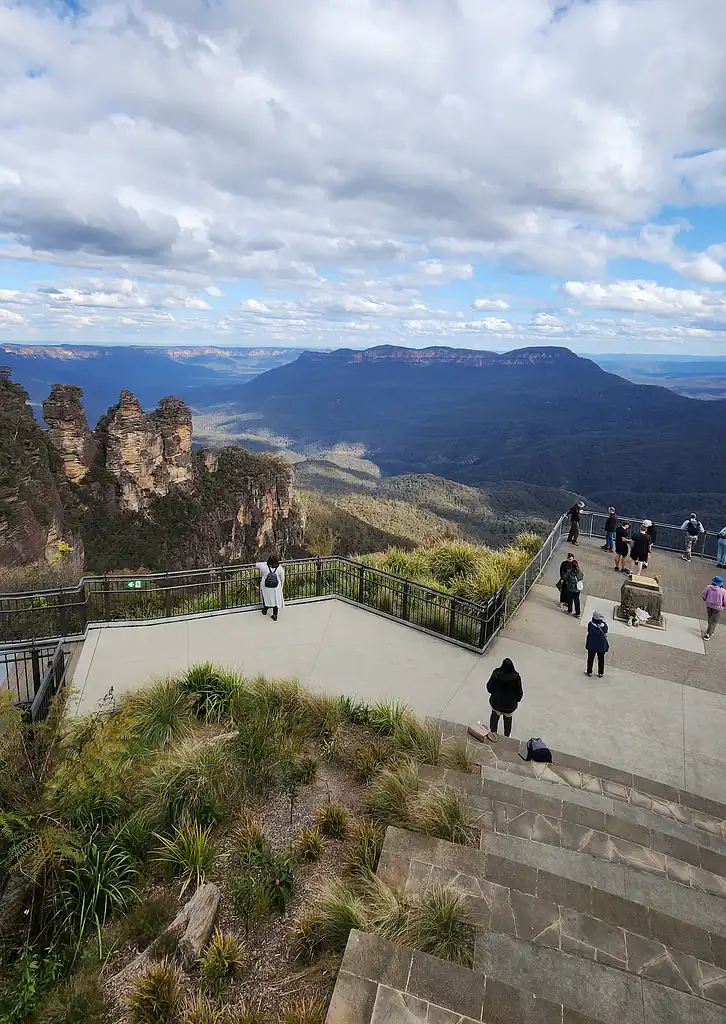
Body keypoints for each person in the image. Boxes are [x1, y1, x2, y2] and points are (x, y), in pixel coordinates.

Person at [485, 657, 523, 741]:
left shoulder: (496, 674)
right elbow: (519, 692)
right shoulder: (516, 677)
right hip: (509, 706)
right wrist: (516, 700)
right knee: (508, 721)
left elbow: (489, 687)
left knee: (494, 718)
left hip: (496, 703)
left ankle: (493, 734)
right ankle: (506, 737)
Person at [255, 553, 285, 621]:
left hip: (266, 586)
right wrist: (281, 587)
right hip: (276, 587)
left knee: (266, 597)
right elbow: (282, 578)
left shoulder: (264, 566)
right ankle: (275, 615)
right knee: (275, 600)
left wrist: (265, 563)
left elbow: (256, 564)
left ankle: (265, 610)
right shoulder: (280, 568)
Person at [701, 576, 726, 641]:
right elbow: (724, 600)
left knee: (710, 617)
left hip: (709, 605)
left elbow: (704, 594)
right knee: (714, 620)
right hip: (717, 608)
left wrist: (705, 599)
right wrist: (723, 606)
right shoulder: (723, 591)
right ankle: (708, 634)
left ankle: (711, 630)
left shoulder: (708, 587)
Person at [585, 610, 609, 677]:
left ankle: (589, 671)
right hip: (601, 646)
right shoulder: (604, 626)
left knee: (590, 658)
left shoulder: (590, 625)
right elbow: (606, 631)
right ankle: (601, 672)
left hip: (591, 645)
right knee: (601, 659)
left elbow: (589, 631)